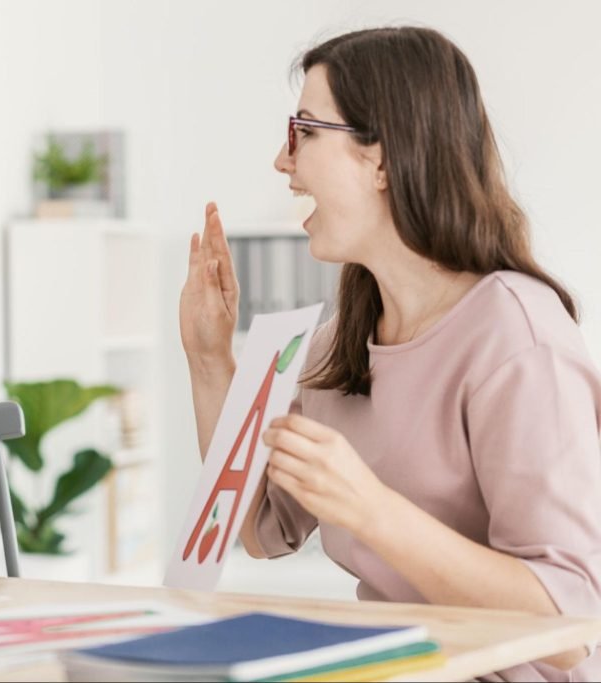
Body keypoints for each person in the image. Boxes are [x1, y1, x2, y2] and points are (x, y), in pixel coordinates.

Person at [180, 27, 601, 681]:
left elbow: (568, 624)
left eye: (305, 132)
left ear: (382, 158)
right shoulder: (343, 338)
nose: (282, 161)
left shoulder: (517, 338)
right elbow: (257, 530)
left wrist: (372, 510)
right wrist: (210, 361)